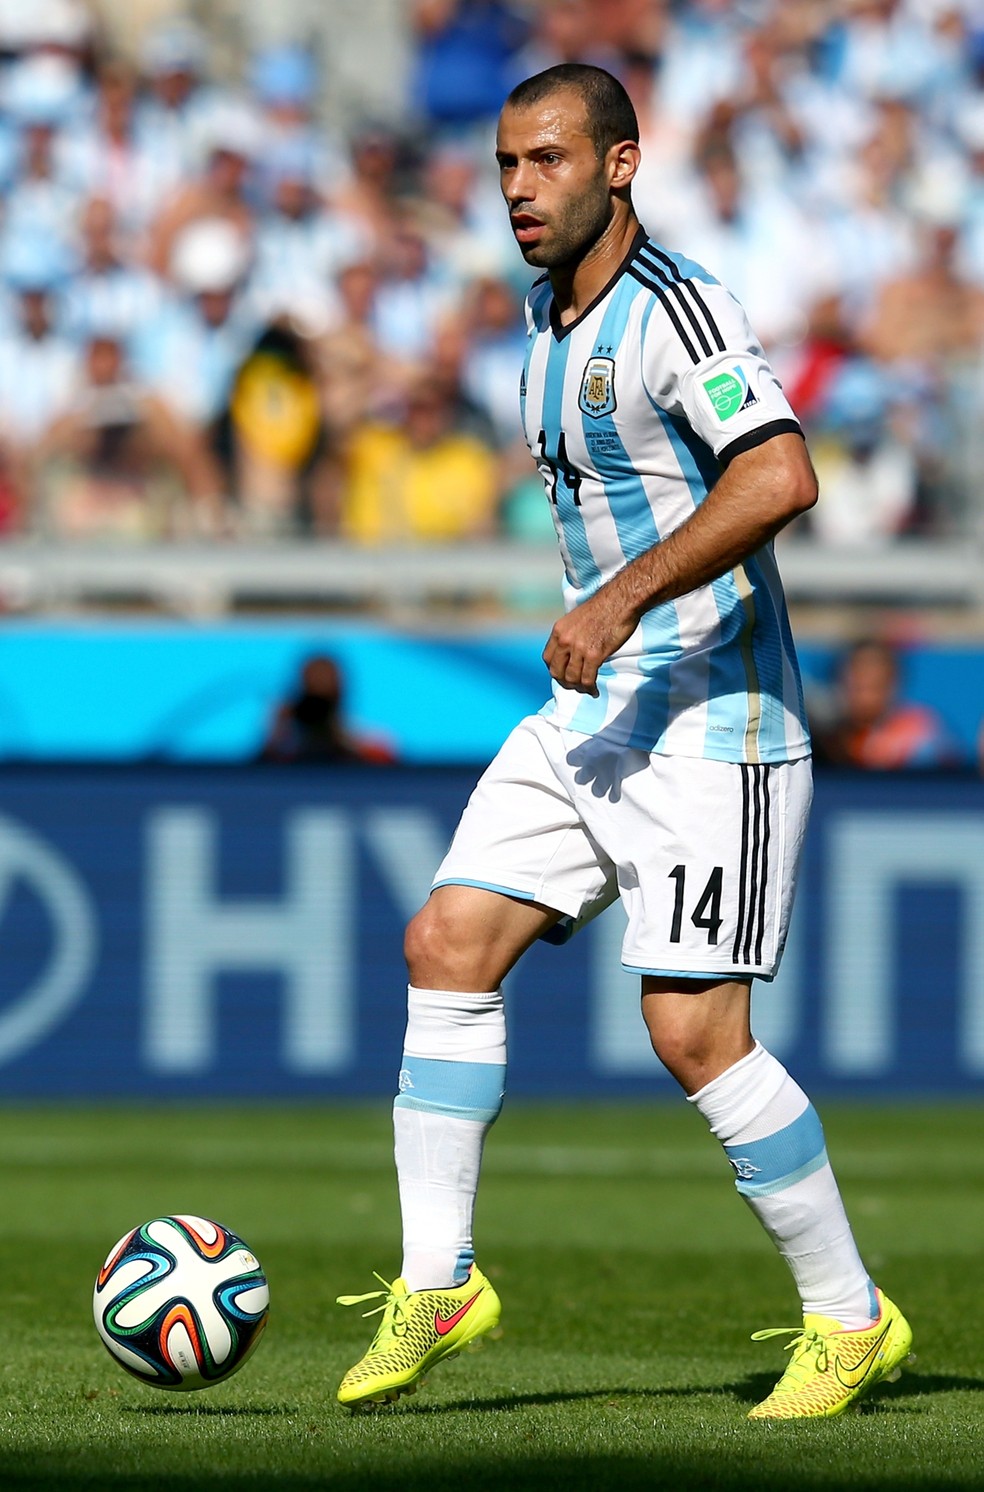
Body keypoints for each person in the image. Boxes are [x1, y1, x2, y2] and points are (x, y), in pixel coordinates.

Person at [335, 64, 912, 1422]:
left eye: (546, 159)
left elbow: (780, 473)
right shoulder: (544, 321)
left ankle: (850, 1320)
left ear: (620, 164)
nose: (518, 188)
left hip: (716, 725)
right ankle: (440, 1282)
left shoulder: (676, 307)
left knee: (693, 1032)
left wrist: (619, 599)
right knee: (446, 943)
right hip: (594, 713)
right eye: (505, 163)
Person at [812, 637, 962, 770]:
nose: (865, 696)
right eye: (858, 686)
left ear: (893, 682)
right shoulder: (825, 741)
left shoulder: (923, 732)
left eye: (875, 685)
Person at [259, 654, 395, 764]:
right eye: (312, 688)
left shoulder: (370, 740)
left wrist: (343, 742)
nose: (319, 706)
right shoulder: (284, 744)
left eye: (327, 685)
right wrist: (278, 733)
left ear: (341, 690)